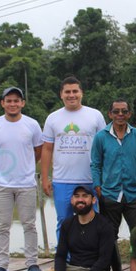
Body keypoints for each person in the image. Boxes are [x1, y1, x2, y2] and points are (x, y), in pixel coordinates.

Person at [0, 86, 44, 271]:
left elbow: (38, 152)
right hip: (1, 184)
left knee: (29, 224)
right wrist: (4, 167)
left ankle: (32, 263)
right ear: (3, 103)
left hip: (26, 183)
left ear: (22, 103)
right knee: (2, 226)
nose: (13, 104)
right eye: (9, 100)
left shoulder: (32, 125)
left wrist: (23, 167)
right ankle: (1, 265)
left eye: (17, 100)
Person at [90, 98, 136, 271]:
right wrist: (98, 187)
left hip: (133, 194)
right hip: (110, 194)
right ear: (110, 114)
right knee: (109, 236)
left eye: (124, 111)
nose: (120, 115)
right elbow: (96, 164)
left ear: (129, 114)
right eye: (116, 111)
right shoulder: (101, 137)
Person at [41, 76, 106, 242]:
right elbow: (47, 149)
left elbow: (104, 148)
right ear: (61, 95)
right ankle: (64, 259)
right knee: (64, 221)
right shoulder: (53, 118)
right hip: (62, 180)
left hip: (90, 179)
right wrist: (44, 177)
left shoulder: (95, 115)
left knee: (93, 220)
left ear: (81, 93)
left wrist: (103, 178)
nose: (72, 95)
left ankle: (92, 258)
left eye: (75, 91)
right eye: (67, 92)